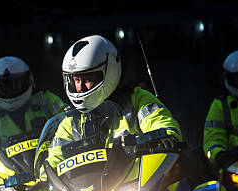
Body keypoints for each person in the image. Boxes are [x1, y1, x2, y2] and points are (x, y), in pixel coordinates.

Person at [43, 34, 183, 170]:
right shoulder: (71, 121)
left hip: (137, 184)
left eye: (87, 79)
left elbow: (162, 124)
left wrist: (166, 136)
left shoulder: (137, 100)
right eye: (76, 80)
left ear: (109, 72)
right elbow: (53, 160)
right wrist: (45, 178)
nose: (79, 88)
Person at [0, 56, 66, 165]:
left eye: (15, 84)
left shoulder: (46, 101)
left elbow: (68, 122)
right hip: (6, 176)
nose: (9, 90)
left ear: (29, 80)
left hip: (52, 165)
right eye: (4, 86)